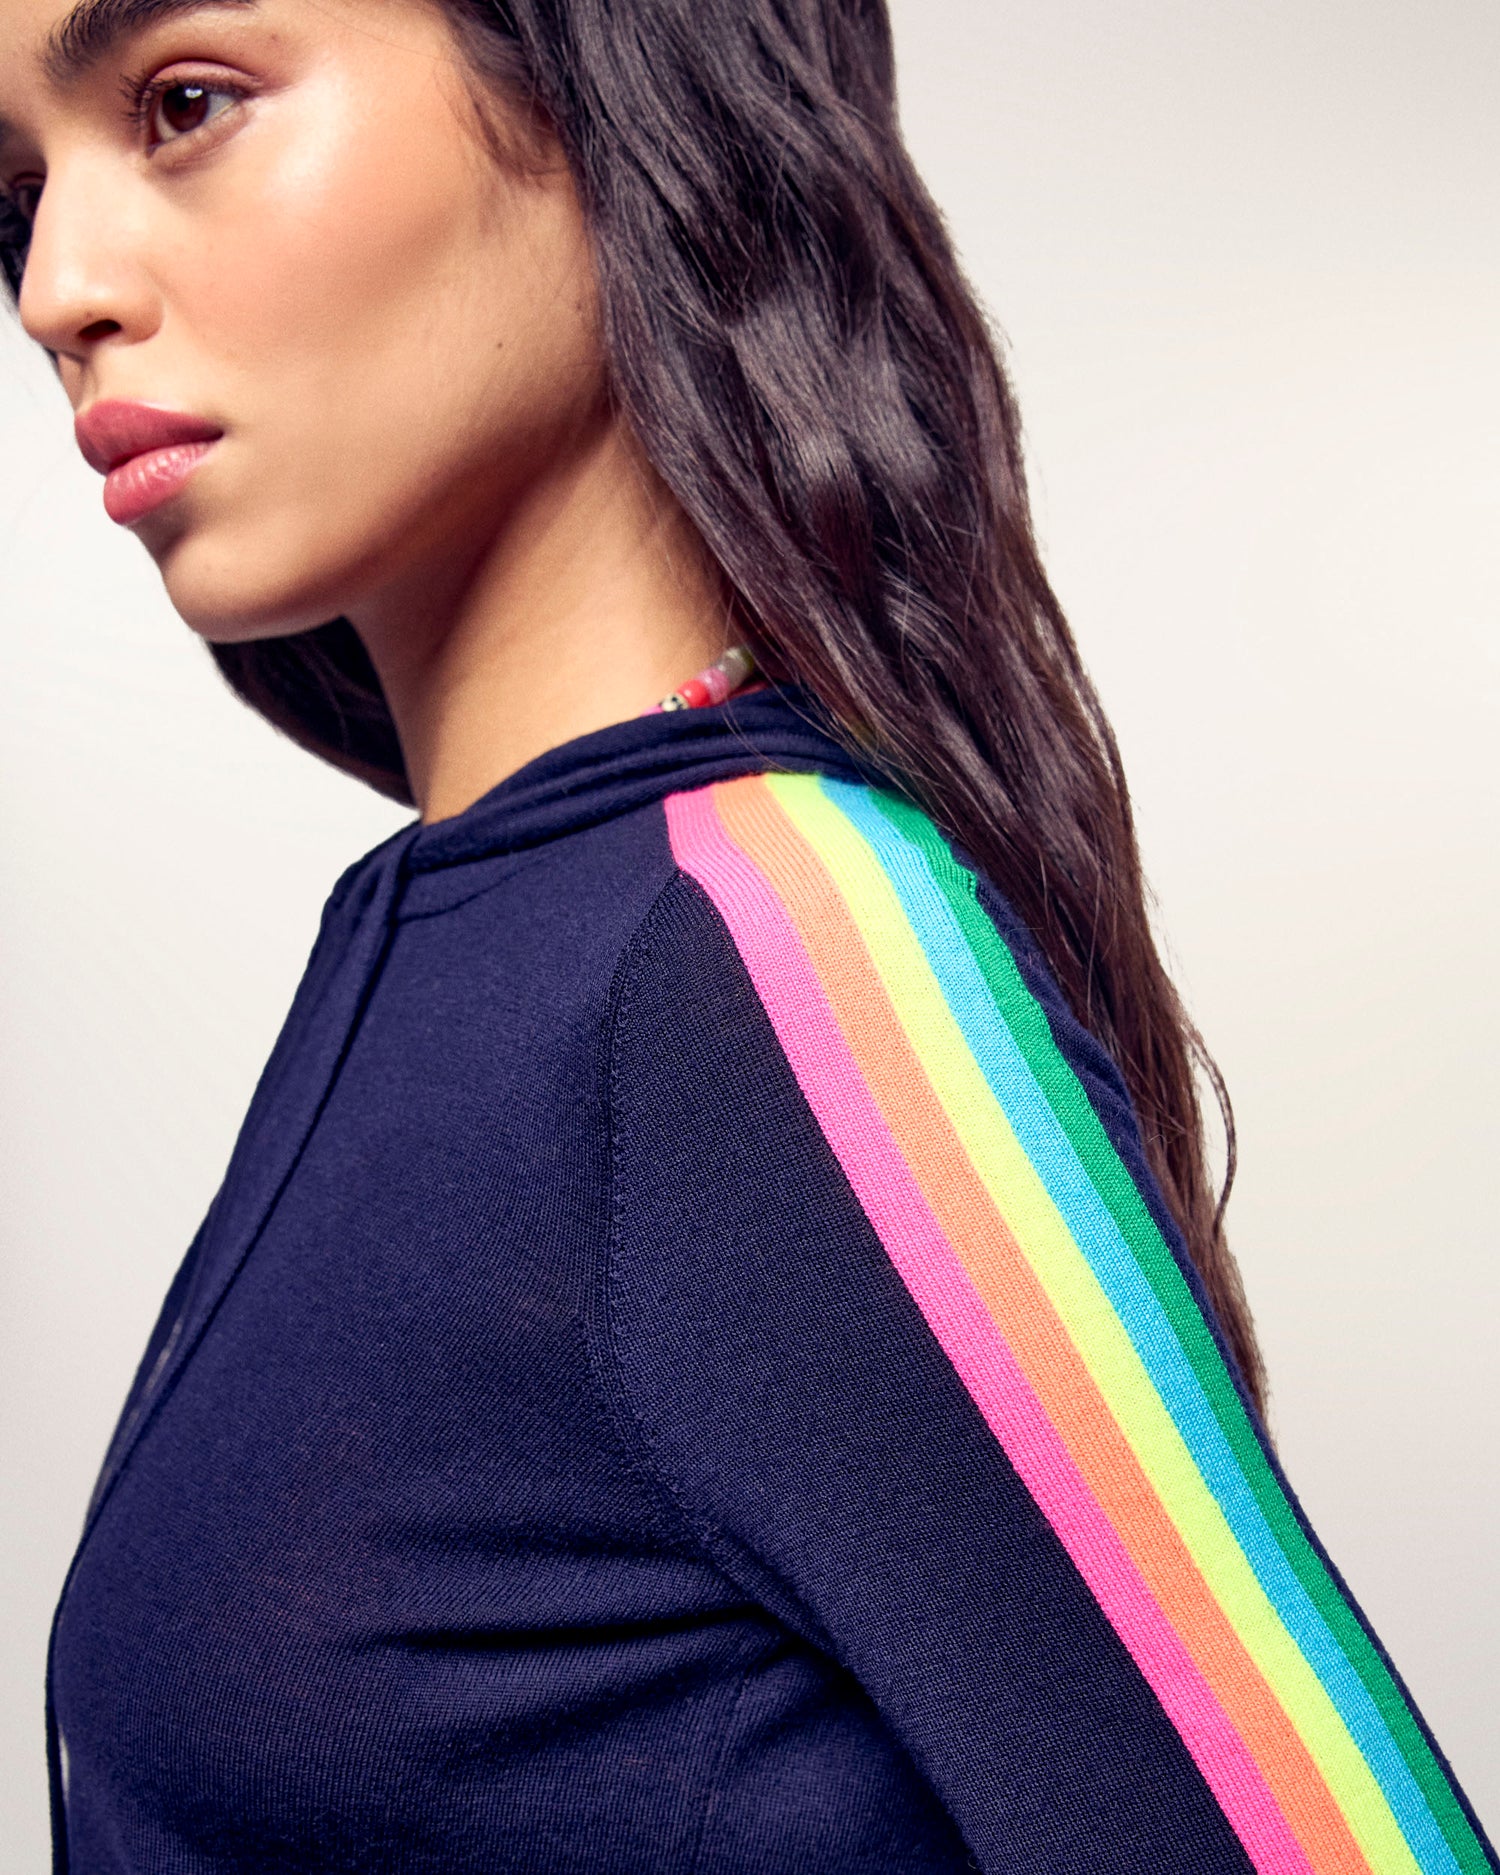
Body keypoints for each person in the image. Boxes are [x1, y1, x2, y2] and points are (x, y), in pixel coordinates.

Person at [0, 0, 1492, 1868]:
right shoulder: (471, 938)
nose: (58, 288)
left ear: (606, 81)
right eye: (15, 201)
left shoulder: (761, 948)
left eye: (185, 103)